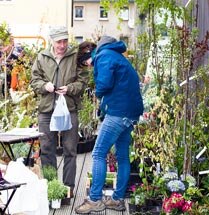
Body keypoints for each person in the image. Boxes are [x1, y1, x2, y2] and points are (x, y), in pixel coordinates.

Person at [75, 36, 144, 214]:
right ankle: (117, 199)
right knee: (122, 156)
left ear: (87, 54)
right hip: (129, 112)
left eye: (87, 64)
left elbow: (104, 85)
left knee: (98, 153)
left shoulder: (103, 56)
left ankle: (95, 199)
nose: (90, 67)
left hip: (119, 113)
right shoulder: (115, 55)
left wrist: (98, 93)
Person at [30, 26, 87, 202]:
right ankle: (51, 190)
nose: (62, 45)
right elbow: (34, 80)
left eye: (65, 41)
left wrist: (69, 89)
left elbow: (83, 81)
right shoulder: (42, 56)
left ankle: (68, 191)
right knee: (47, 150)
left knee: (70, 150)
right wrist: (44, 86)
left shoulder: (75, 57)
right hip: (47, 110)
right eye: (59, 42)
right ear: (51, 41)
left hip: (69, 109)